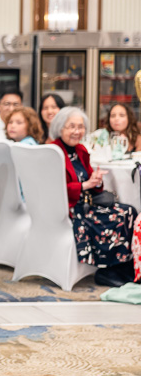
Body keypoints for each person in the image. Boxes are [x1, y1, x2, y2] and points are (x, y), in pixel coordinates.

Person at [50, 107, 137, 287]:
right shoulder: (54, 152)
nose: (77, 131)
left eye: (80, 127)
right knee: (118, 217)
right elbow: (52, 189)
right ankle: (106, 270)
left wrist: (96, 182)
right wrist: (83, 186)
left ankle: (123, 266)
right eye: (71, 127)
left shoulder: (80, 150)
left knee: (129, 211)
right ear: (60, 128)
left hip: (87, 204)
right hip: (72, 208)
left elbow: (93, 184)